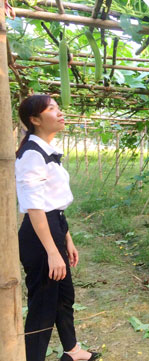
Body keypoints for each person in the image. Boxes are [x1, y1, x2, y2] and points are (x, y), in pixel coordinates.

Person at [15, 95, 100, 361]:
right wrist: (52, 251)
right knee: (42, 303)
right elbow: (35, 207)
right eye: (52, 109)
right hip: (40, 234)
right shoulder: (31, 153)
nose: (60, 113)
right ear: (35, 119)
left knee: (64, 295)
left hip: (54, 226)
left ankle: (72, 350)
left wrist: (67, 239)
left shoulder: (45, 150)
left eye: (59, 108)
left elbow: (54, 206)